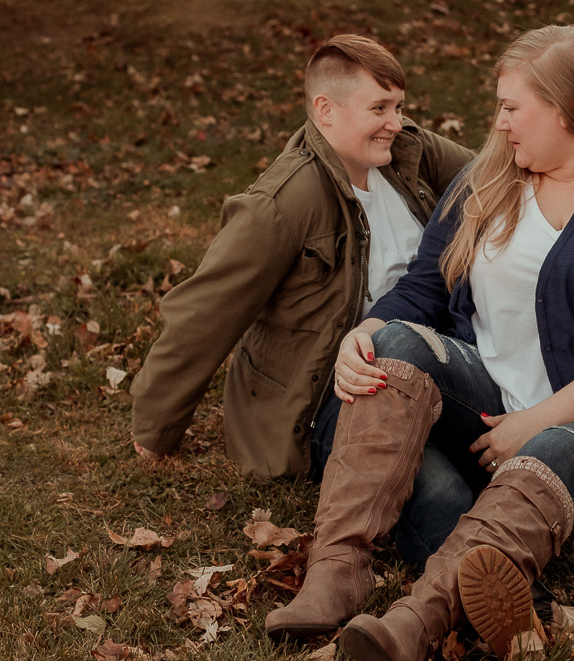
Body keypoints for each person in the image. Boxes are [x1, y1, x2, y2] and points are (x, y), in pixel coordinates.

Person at [266, 24, 574, 661]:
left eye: (511, 106)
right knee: (391, 345)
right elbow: (422, 288)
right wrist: (361, 334)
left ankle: (412, 626)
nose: (500, 122)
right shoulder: (491, 179)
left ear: (562, 108)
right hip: (488, 405)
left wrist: (536, 422)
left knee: (536, 455)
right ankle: (336, 573)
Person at [130, 34, 473, 490]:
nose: (396, 122)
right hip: (326, 395)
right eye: (379, 109)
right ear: (325, 109)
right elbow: (204, 312)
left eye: (399, 106)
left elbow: (492, 176)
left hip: (422, 368)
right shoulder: (285, 202)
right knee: (439, 492)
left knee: (492, 461)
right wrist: (156, 428)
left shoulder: (407, 154)